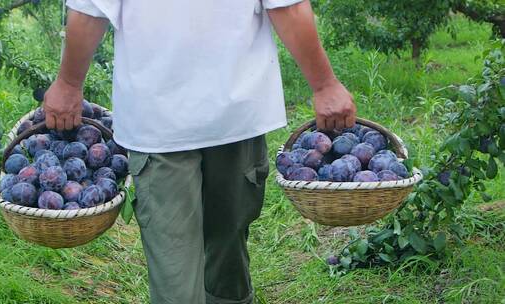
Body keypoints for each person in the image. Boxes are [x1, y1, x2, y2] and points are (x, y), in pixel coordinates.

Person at [44, 1, 356, 303]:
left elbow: (288, 6)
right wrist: (69, 84)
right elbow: (90, 10)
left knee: (229, 247)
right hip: (159, 126)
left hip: (237, 117)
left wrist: (324, 85)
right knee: (174, 266)